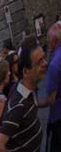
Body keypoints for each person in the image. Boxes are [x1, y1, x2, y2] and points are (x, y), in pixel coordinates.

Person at [0, 36, 48, 152]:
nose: (45, 63)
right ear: (25, 71)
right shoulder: (18, 104)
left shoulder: (28, 89)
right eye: (39, 62)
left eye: (44, 58)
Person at [42, 22, 61, 151]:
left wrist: (36, 103)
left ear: (55, 40)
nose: (47, 42)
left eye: (48, 39)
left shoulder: (54, 64)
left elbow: (50, 99)